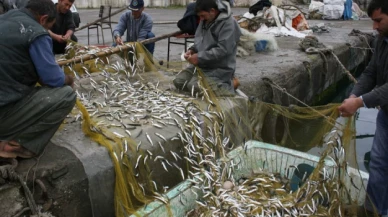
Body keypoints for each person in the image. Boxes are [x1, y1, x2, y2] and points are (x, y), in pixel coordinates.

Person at [0, 0, 76, 159]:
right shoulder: (36, 32)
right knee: (67, 94)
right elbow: (54, 80)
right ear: (43, 19)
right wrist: (69, 78)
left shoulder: (5, 18)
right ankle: (15, 146)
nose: (46, 30)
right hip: (3, 115)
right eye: (48, 27)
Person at [338, 0, 388, 216]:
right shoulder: (380, 41)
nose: (374, 27)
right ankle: (373, 211)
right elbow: (370, 72)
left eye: (379, 20)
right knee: (378, 163)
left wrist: (359, 102)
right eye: (373, 21)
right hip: (386, 114)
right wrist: (353, 94)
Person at [173, 0, 241, 96]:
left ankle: (230, 85)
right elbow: (200, 40)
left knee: (194, 87)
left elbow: (223, 50)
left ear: (212, 11)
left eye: (203, 16)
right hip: (202, 64)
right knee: (179, 82)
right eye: (199, 16)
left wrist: (199, 57)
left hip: (219, 68)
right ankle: (210, 85)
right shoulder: (205, 19)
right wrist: (192, 50)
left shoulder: (229, 24)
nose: (201, 19)